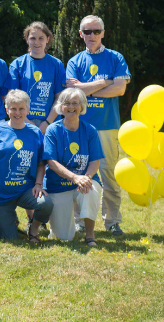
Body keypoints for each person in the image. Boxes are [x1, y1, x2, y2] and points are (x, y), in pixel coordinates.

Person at [66, 15, 131, 237]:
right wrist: (105, 82)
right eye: (87, 31)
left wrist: (87, 88)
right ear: (80, 34)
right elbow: (74, 94)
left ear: (103, 33)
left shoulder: (115, 58)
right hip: (79, 127)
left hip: (107, 125)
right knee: (79, 173)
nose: (91, 35)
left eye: (96, 31)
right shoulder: (74, 61)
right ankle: (80, 221)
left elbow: (120, 89)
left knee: (109, 174)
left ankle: (112, 221)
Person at [0, 89, 53, 243]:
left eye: (21, 109)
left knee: (46, 204)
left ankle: (34, 228)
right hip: (0, 193)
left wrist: (38, 184)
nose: (17, 113)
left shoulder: (35, 132)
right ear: (6, 109)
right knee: (10, 239)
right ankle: (11, 219)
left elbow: (40, 163)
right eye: (13, 108)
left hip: (25, 189)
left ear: (28, 110)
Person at [42, 88, 103, 246]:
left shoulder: (90, 130)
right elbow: (51, 162)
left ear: (82, 107)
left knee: (91, 190)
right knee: (63, 237)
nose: (71, 107)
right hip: (58, 185)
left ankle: (90, 234)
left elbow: (94, 161)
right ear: (60, 107)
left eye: (75, 103)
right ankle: (59, 227)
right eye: (66, 103)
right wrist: (75, 177)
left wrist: (85, 178)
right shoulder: (53, 130)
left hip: (83, 181)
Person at [8, 22, 65, 134]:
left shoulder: (56, 64)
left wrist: (47, 123)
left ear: (47, 39)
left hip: (50, 124)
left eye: (41, 38)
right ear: (27, 39)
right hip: (22, 123)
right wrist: (26, 122)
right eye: (33, 38)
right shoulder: (17, 64)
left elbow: (60, 98)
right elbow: (11, 98)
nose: (37, 42)